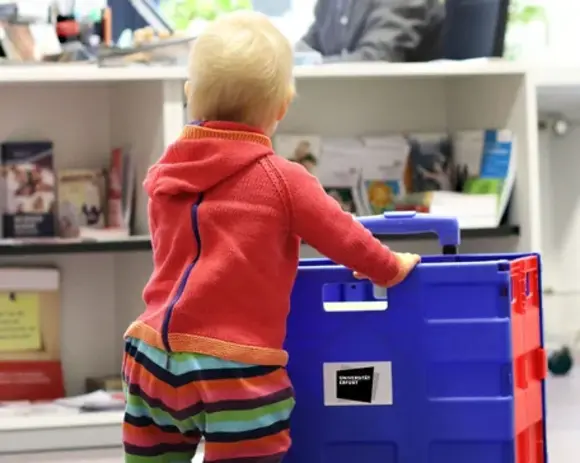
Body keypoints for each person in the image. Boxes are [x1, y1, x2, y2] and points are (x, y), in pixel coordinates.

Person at [121, 11, 420, 463]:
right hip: (233, 366)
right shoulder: (283, 179)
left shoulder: (163, 174)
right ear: (282, 107)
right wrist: (390, 267)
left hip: (150, 356)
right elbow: (344, 236)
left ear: (189, 96)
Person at [298, 0, 444, 62]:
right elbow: (310, 45)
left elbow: (376, 58)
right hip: (346, 106)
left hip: (396, 111)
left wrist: (311, 65)